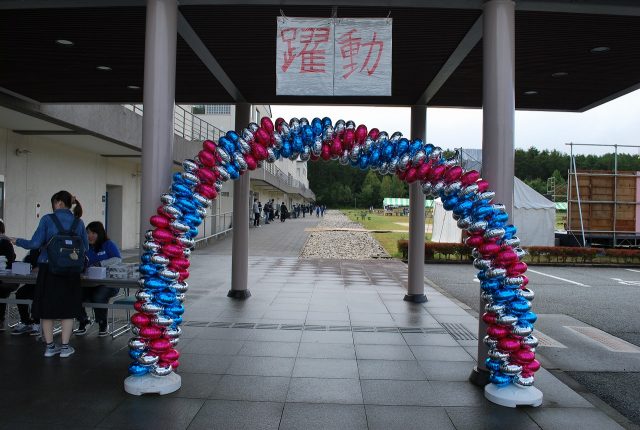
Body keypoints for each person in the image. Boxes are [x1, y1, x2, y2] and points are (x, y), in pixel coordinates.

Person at [10, 191, 88, 358]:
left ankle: (50, 347)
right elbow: (85, 248)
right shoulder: (78, 222)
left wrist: (18, 241)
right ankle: (65, 347)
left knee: (47, 309)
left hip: (48, 269)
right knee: (67, 309)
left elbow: (35, 243)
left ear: (58, 202)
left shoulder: (47, 219)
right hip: (71, 271)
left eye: (53, 203)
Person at [75, 221, 121, 337]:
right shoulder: (84, 247)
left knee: (98, 296)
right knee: (74, 294)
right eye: (88, 233)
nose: (90, 236)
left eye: (93, 233)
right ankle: (84, 320)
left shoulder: (108, 244)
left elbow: (118, 259)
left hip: (109, 283)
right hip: (89, 282)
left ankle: (102, 323)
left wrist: (101, 263)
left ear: (100, 233)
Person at [10, 249, 41, 336]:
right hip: (32, 282)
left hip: (46, 285)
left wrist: (41, 268)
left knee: (37, 295)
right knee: (20, 293)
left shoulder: (51, 250)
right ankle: (26, 321)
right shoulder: (33, 251)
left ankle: (37, 322)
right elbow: (25, 263)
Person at [0, 220, 17, 331]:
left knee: (1, 290)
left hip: (7, 279)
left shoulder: (6, 244)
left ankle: (0, 319)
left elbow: (10, 262)